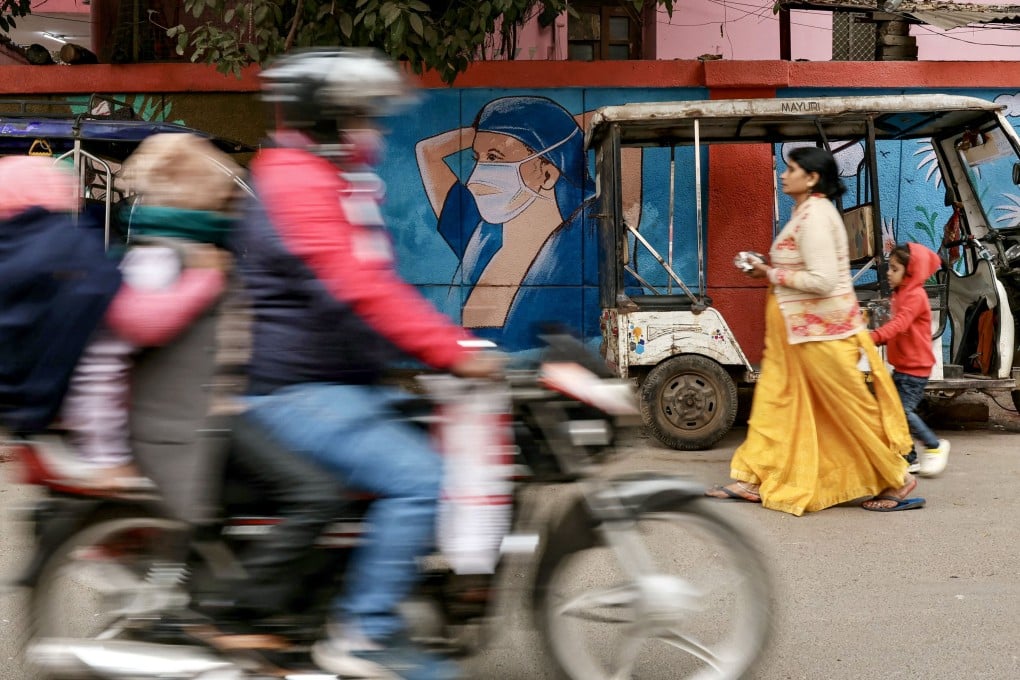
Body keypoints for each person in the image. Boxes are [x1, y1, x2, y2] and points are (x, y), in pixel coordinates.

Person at [230, 48, 502, 679]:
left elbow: (376, 288)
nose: (373, 129)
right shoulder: (298, 181)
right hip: (299, 389)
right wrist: (452, 352)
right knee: (419, 480)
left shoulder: (330, 178)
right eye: (360, 115)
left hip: (341, 380)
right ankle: (364, 634)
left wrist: (438, 351)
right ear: (326, 117)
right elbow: (360, 290)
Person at [706, 146, 921, 515]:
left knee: (847, 410)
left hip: (823, 335)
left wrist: (769, 273)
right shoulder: (804, 213)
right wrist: (768, 267)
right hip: (799, 335)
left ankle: (898, 479)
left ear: (812, 178)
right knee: (777, 406)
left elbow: (822, 281)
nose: (782, 174)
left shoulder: (817, 217)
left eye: (790, 169)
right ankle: (753, 479)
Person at [57, 133, 238, 497]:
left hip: (193, 424)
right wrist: (106, 454)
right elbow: (104, 361)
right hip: (173, 437)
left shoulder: (178, 252)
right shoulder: (166, 259)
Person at [870, 243, 950, 477]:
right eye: (889, 268)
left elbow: (899, 325)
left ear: (910, 272)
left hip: (916, 368)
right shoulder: (901, 294)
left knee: (902, 411)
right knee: (893, 411)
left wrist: (874, 337)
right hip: (904, 366)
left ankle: (935, 446)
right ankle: (909, 458)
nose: (888, 273)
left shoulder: (915, 296)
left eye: (894, 269)